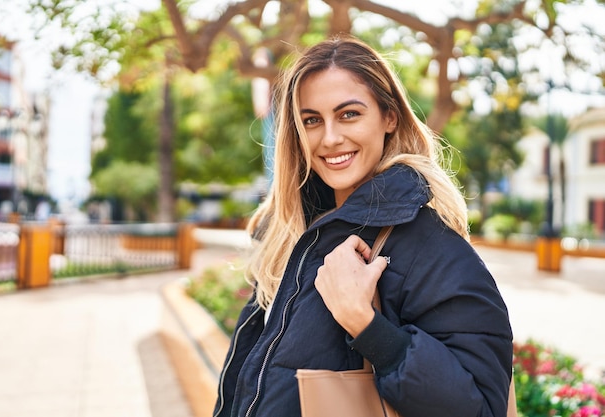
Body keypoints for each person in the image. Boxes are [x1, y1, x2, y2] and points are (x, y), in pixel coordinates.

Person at [213, 35, 513, 417]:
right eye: (312, 120)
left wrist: (365, 324)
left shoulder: (434, 250)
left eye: (349, 114)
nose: (331, 138)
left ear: (389, 117)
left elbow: (481, 409)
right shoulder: (294, 239)